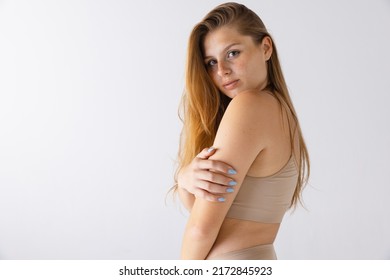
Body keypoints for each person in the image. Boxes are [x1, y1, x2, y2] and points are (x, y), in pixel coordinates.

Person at [173, 2, 310, 260]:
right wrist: (184, 179)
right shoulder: (279, 109)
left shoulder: (249, 106)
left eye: (233, 53)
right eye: (211, 62)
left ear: (266, 48)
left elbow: (201, 229)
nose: (222, 70)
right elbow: (215, 217)